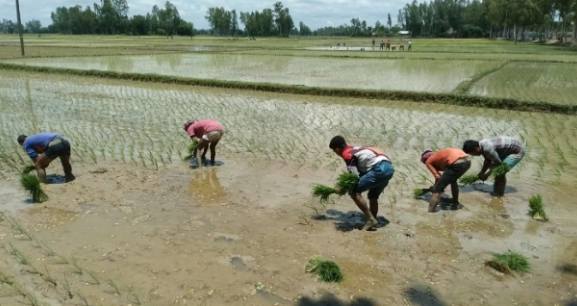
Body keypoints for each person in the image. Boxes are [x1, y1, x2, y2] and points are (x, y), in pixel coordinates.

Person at [329, 136, 394, 231]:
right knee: (373, 196)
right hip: (389, 168)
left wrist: (342, 187)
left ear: (337, 149)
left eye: (334, 151)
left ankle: (370, 219)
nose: (336, 153)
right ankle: (374, 219)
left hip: (378, 169)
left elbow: (354, 177)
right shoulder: (356, 149)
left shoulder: (346, 154)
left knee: (354, 192)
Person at [420, 148, 471, 212]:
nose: (425, 164)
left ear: (425, 159)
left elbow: (437, 176)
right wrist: (437, 185)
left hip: (457, 163)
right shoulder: (438, 156)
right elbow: (440, 178)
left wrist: (435, 188)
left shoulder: (428, 161)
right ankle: (455, 202)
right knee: (453, 180)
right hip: (467, 161)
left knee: (437, 190)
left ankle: (431, 211)